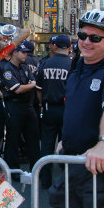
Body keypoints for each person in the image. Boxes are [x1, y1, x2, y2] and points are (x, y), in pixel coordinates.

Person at [49, 9, 104, 208]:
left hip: (98, 171)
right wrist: (65, 140)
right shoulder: (77, 65)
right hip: (72, 164)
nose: (86, 42)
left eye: (95, 38)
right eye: (82, 36)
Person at [36, 34, 72, 189]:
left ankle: (45, 179)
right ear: (70, 47)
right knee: (67, 143)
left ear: (55, 46)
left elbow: (39, 89)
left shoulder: (45, 63)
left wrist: (42, 103)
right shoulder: (73, 65)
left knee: (47, 144)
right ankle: (66, 178)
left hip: (49, 107)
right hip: (67, 109)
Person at [0, 43, 40, 175]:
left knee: (33, 138)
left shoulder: (25, 67)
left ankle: (36, 169)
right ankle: (13, 172)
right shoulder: (7, 69)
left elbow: (32, 82)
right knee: (13, 139)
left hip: (28, 106)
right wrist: (31, 85)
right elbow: (18, 89)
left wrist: (30, 84)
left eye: (26, 52)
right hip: (14, 106)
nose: (25, 55)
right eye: (23, 52)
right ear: (15, 52)